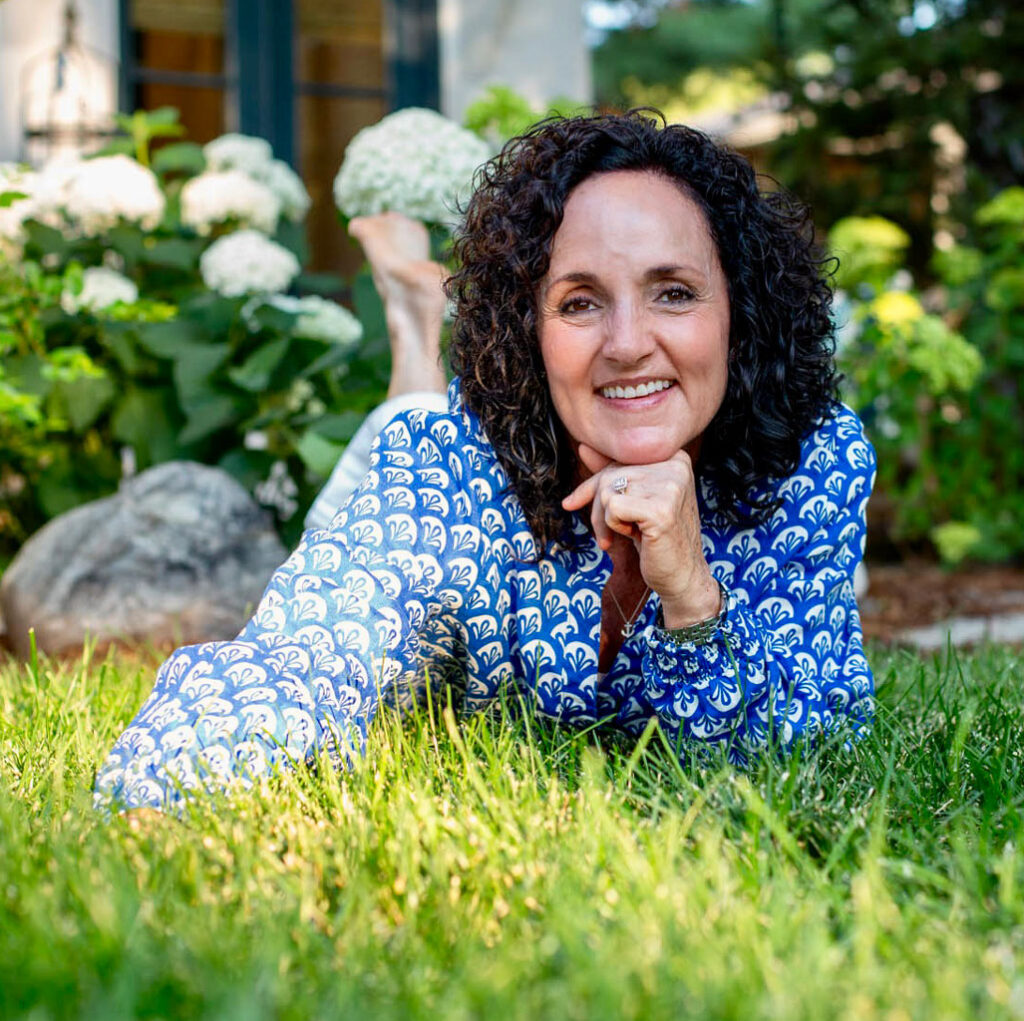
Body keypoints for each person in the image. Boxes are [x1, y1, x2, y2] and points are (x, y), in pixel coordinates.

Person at [95, 112, 876, 813]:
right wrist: (167, 800)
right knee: (407, 420)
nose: (629, 341)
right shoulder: (454, 468)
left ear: (739, 311)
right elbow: (306, 654)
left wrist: (690, 592)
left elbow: (802, 744)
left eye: (673, 292)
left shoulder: (810, 464)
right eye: (578, 302)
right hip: (418, 446)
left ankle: (413, 330)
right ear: (527, 328)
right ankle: (414, 333)